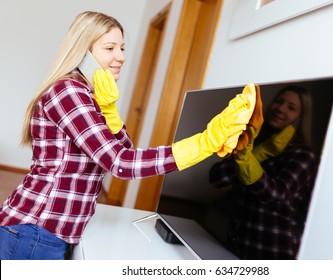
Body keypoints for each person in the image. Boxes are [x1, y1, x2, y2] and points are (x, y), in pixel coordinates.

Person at [0, 11, 255, 260]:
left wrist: (109, 109)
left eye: (122, 48)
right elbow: (121, 163)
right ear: (83, 52)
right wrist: (205, 142)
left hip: (51, 229)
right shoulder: (69, 92)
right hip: (35, 230)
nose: (120, 57)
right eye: (109, 48)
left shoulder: (88, 94)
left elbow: (123, 147)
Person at [209, 85, 317, 260]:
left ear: (300, 117)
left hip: (272, 249)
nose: (281, 108)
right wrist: (260, 151)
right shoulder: (254, 140)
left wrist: (251, 164)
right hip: (237, 243)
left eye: (291, 107)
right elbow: (217, 177)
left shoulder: (303, 155)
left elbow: (278, 197)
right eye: (279, 101)